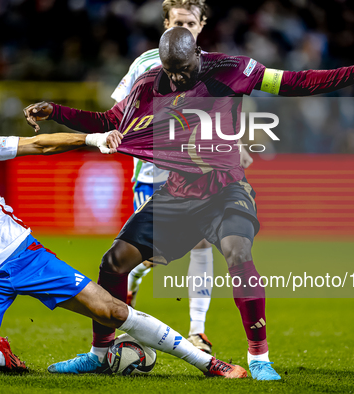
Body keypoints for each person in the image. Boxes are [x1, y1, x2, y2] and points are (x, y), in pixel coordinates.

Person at [23, 27, 354, 380]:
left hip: (226, 190)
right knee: (114, 262)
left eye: (183, 70)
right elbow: (107, 121)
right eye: (172, 71)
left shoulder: (233, 69)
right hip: (178, 193)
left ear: (198, 54)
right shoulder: (148, 84)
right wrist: (55, 110)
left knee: (237, 253)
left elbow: (295, 82)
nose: (179, 79)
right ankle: (100, 353)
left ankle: (258, 356)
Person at [0, 105, 249, 378]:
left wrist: (93, 140)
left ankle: (208, 362)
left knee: (111, 310)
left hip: (24, 256)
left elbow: (39, 144)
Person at [111, 0, 253, 355]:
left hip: (199, 175)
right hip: (152, 174)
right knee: (147, 257)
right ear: (165, 23)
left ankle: (197, 330)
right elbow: (120, 114)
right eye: (178, 22)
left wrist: (236, 144)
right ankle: (129, 289)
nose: (184, 29)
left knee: (203, 242)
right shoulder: (145, 64)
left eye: (190, 23)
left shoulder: (216, 68)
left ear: (202, 25)